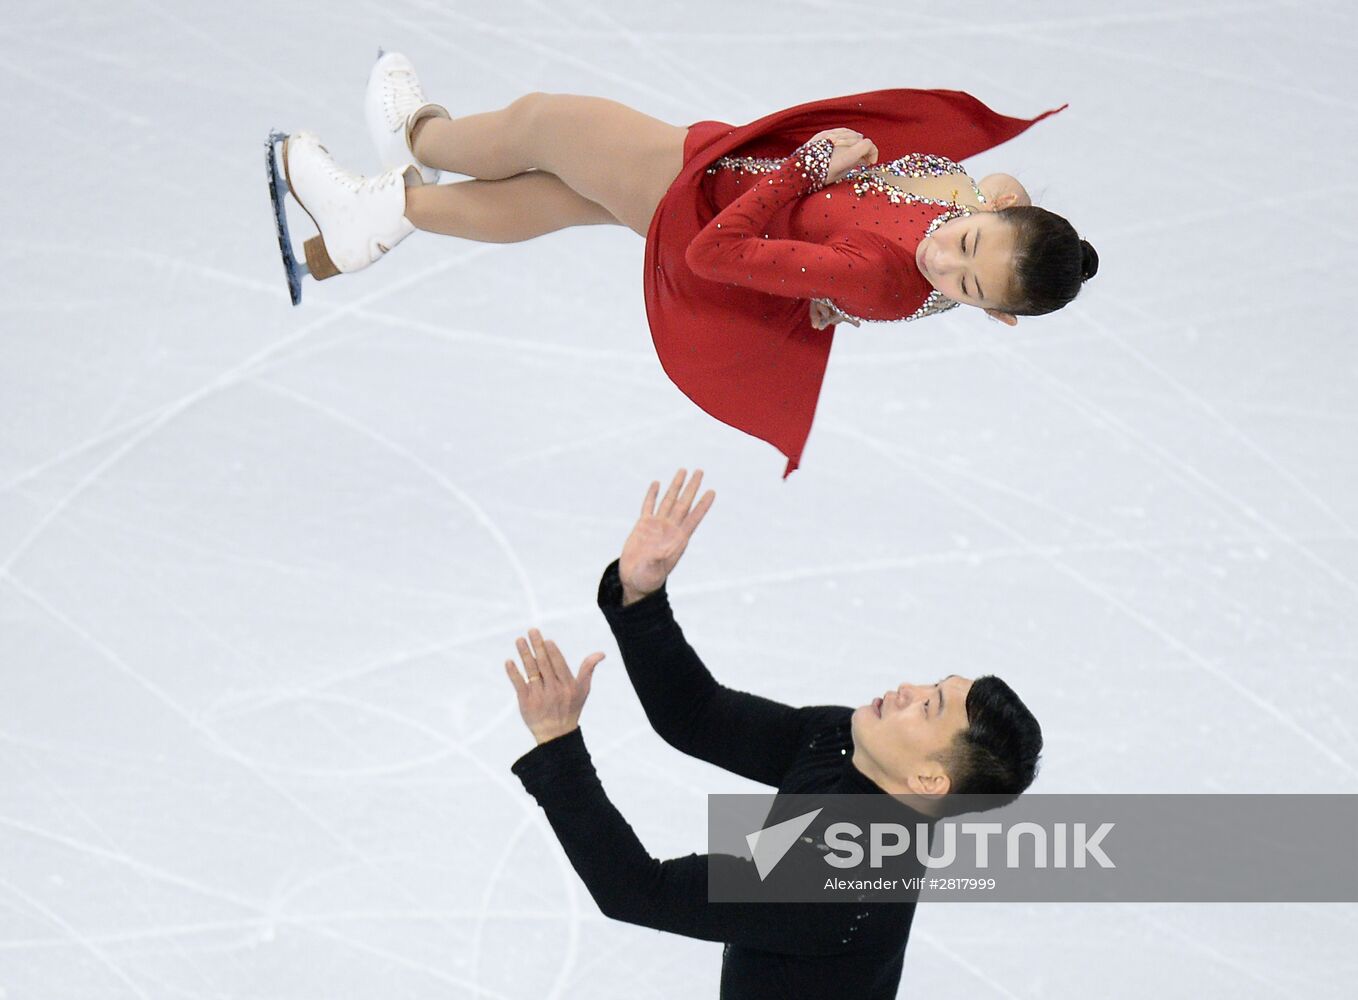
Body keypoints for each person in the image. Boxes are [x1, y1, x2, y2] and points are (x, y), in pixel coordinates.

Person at [273, 53, 1098, 472]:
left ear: (988, 312)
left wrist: (809, 167)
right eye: (971, 240)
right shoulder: (971, 203)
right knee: (562, 197)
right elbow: (991, 186)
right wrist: (990, 203)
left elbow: (719, 255)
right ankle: (374, 225)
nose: (944, 256)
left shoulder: (881, 281)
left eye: (966, 283)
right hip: (725, 179)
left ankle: (416, 139)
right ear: (997, 212)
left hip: (702, 205)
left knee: (543, 127)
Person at [500, 470, 1044, 999]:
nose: (906, 689)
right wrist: (641, 598)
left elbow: (637, 890)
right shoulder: (842, 739)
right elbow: (696, 714)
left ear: (929, 778)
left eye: (928, 707)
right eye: (930, 684)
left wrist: (559, 742)